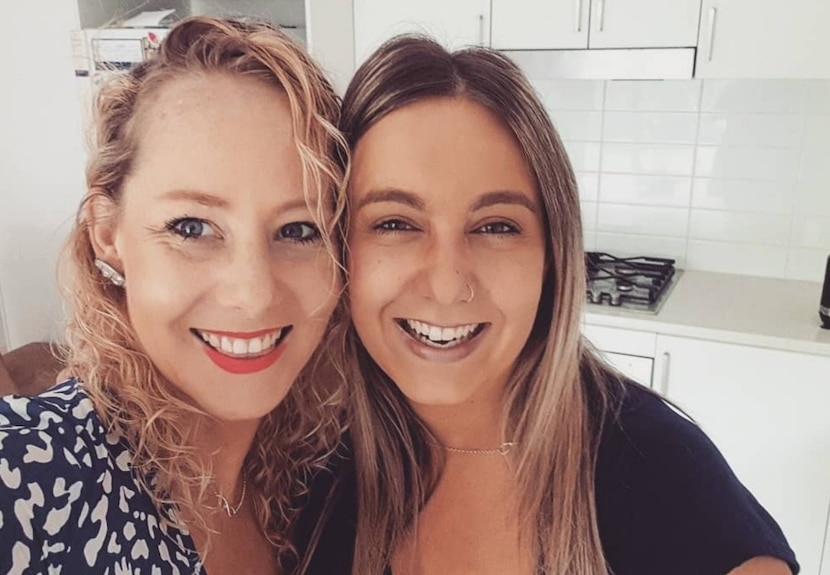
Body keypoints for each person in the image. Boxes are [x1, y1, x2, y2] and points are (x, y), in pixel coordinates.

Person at [295, 35, 800, 575]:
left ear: (552, 256)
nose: (446, 286)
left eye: (496, 226)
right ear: (337, 244)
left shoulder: (657, 466)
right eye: (394, 223)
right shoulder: (307, 459)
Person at [0, 17, 347, 574]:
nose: (253, 294)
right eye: (192, 228)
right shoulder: (31, 471)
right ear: (107, 234)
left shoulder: (314, 474)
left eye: (300, 230)